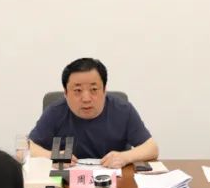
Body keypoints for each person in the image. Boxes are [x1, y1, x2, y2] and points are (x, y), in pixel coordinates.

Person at [29, 58, 158, 169]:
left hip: (115, 182)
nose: (86, 99)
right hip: (68, 183)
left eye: (94, 89)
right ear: (66, 93)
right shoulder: (55, 112)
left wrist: (125, 157)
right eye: (77, 90)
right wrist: (53, 156)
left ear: (104, 90)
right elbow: (27, 148)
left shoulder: (123, 110)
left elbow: (152, 148)